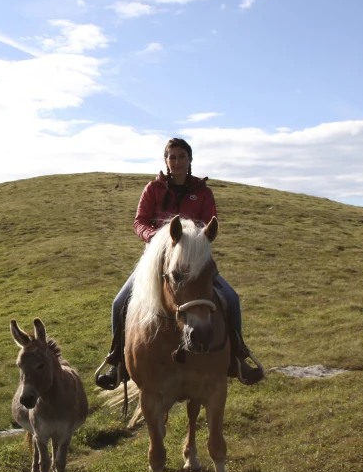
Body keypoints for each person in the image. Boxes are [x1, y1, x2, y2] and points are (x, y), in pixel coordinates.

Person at [94, 137, 264, 390]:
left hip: (194, 261)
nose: (177, 162)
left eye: (182, 156)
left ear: (190, 160)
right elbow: (139, 222)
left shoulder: (203, 193)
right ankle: (116, 360)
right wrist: (157, 239)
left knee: (231, 298)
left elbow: (209, 226)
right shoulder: (152, 189)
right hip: (156, 260)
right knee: (120, 302)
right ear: (166, 161)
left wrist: (196, 243)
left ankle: (238, 354)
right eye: (172, 157)